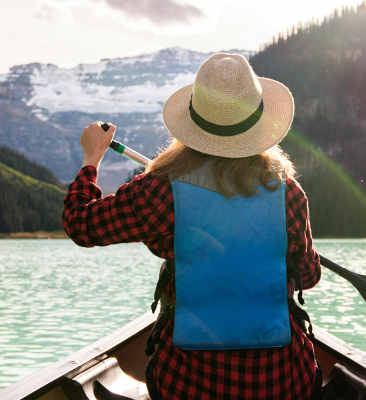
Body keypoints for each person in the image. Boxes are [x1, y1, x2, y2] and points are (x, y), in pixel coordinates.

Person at [63, 53, 321, 400]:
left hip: (187, 385)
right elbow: (309, 276)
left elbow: (80, 224)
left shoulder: (158, 190)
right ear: (256, 125)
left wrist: (92, 157)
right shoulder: (288, 193)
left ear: (194, 125)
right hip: (281, 383)